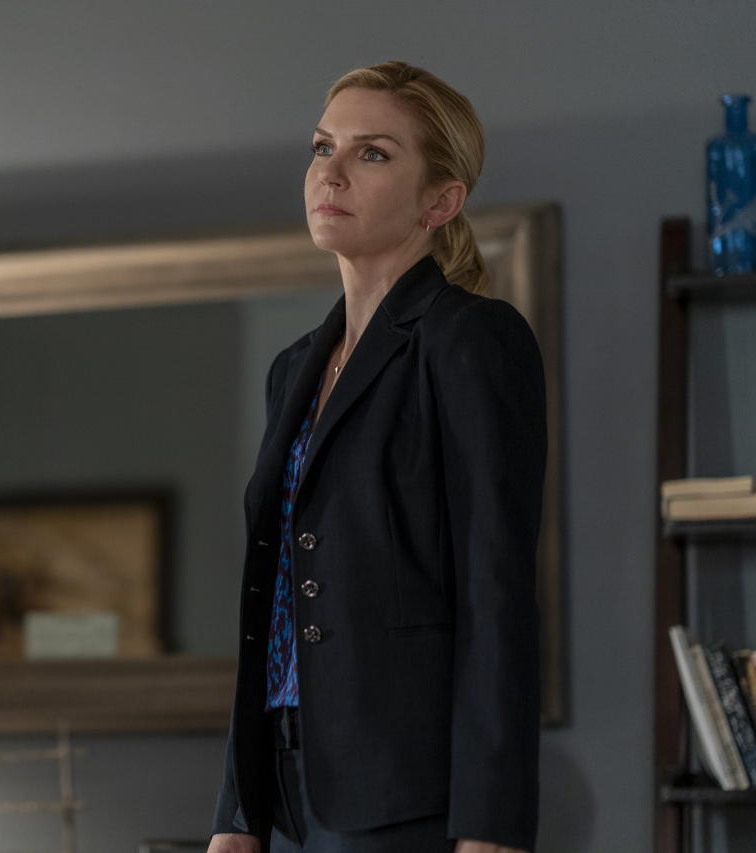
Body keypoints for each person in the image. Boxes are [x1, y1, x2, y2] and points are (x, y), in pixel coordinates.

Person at [207, 62, 546, 853]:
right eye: (323, 146)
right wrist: (235, 810)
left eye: (373, 153)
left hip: (407, 790)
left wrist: (493, 827)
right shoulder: (292, 369)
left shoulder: (472, 339)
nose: (331, 172)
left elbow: (497, 592)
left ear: (441, 201)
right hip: (285, 785)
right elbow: (274, 595)